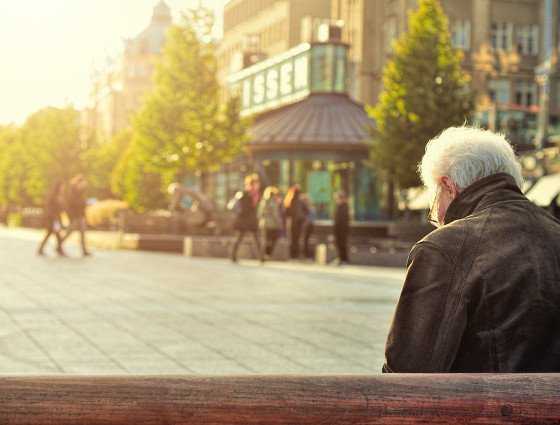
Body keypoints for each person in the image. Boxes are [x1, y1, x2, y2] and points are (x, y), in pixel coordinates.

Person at [383, 126, 560, 373]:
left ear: (448, 186)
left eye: (433, 202)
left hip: (483, 410)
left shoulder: (443, 249)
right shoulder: (555, 231)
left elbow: (408, 373)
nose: (436, 217)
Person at [229, 173, 264, 263]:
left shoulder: (254, 194)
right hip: (245, 220)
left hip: (250, 220)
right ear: (253, 184)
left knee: (255, 239)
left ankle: (261, 257)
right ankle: (232, 256)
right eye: (257, 183)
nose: (258, 185)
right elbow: (245, 208)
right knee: (240, 238)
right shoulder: (247, 193)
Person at [60, 174, 91, 256]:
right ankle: (59, 244)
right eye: (82, 183)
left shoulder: (80, 191)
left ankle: (84, 250)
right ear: (79, 183)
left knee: (83, 231)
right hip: (74, 215)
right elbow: (71, 203)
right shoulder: (72, 190)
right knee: (69, 231)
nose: (83, 185)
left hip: (79, 215)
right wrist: (82, 203)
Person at [37, 179, 66, 257]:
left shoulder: (59, 195)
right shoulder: (52, 195)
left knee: (55, 234)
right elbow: (50, 207)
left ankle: (58, 249)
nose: (63, 188)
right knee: (54, 234)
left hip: (56, 218)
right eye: (62, 186)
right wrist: (53, 218)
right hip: (52, 219)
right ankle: (59, 249)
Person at [283, 185, 308, 261]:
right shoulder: (301, 202)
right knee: (296, 239)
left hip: (291, 223)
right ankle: (295, 256)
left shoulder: (289, 201)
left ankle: (291, 256)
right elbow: (307, 211)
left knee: (291, 239)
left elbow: (284, 213)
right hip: (298, 223)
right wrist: (302, 217)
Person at [257, 186, 283, 260]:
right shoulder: (272, 202)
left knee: (266, 239)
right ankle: (268, 254)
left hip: (264, 223)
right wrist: (280, 222)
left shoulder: (263, 202)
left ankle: (265, 254)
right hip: (272, 224)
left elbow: (259, 214)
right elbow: (276, 214)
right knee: (273, 239)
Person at [333, 190, 349, 265]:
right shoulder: (340, 206)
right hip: (339, 228)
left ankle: (343, 259)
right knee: (339, 243)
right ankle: (341, 258)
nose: (337, 199)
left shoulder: (344, 207)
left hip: (342, 229)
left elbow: (343, 219)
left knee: (342, 243)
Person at [300, 193, 316, 260]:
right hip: (309, 225)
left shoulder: (310, 209)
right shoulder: (310, 208)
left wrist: (304, 225)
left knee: (306, 240)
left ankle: (307, 255)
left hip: (308, 226)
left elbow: (310, 219)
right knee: (305, 240)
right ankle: (306, 255)